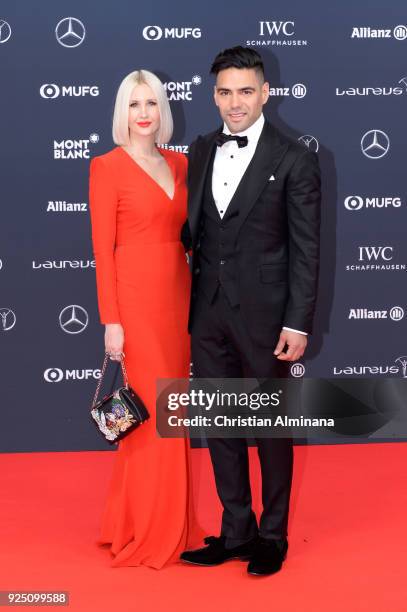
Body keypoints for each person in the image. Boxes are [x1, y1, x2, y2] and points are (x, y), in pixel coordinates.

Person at [180, 46, 321, 576]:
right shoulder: (199, 149)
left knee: (268, 428)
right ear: (213, 95)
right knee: (220, 423)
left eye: (244, 91)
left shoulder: (295, 158)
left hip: (267, 318)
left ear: (265, 93)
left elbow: (307, 249)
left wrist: (298, 321)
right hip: (208, 313)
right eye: (224, 91)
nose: (234, 103)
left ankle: (272, 534)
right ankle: (234, 528)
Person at [89, 69, 201, 569]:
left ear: (163, 111)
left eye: (151, 103)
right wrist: (111, 320)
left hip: (179, 296)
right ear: (122, 112)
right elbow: (102, 251)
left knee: (171, 409)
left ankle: (152, 520)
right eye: (134, 104)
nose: (143, 114)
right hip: (134, 302)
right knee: (150, 413)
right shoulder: (106, 167)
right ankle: (150, 529)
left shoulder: (181, 164)